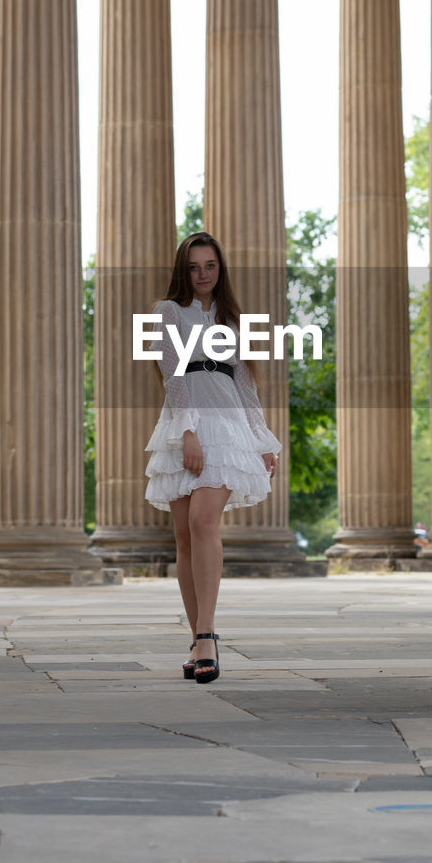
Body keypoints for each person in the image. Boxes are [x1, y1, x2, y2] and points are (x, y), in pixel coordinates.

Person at [144, 232, 283, 684]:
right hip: (184, 426)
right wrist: (187, 433)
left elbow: (245, 385)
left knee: (204, 522)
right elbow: (173, 376)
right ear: (183, 271)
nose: (203, 275)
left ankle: (208, 635)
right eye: (194, 267)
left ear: (220, 270)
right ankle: (196, 641)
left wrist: (262, 439)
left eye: (210, 266)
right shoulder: (167, 312)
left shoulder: (232, 319)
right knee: (184, 538)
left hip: (227, 429)